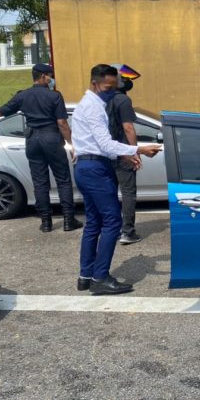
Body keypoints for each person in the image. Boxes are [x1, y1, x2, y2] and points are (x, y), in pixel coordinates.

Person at [72, 64, 161, 295]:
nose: (111, 91)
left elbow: (100, 145)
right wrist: (138, 150)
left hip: (87, 166)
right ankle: (100, 277)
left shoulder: (90, 104)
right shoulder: (93, 108)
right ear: (94, 83)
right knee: (112, 222)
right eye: (107, 86)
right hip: (95, 169)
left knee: (93, 222)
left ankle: (86, 275)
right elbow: (104, 144)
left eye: (114, 86)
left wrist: (126, 153)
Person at [0, 63, 83, 232]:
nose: (52, 78)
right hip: (52, 138)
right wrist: (71, 145)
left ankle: (46, 222)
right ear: (43, 76)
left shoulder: (22, 96)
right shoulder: (54, 96)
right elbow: (62, 123)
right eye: (50, 75)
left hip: (33, 140)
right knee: (63, 180)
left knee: (40, 183)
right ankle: (68, 220)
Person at [106, 64, 143, 245]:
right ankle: (127, 232)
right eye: (125, 79)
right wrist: (134, 151)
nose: (128, 82)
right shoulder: (123, 100)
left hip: (105, 152)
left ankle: (111, 230)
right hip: (122, 152)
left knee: (110, 193)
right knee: (128, 192)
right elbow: (128, 127)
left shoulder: (102, 99)